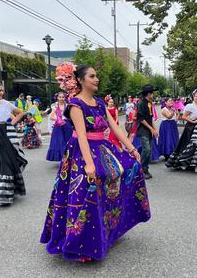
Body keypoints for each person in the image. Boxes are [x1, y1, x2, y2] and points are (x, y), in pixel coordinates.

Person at [40, 64, 150, 263]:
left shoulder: (99, 103)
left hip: (102, 148)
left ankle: (106, 233)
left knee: (129, 170)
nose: (96, 79)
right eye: (92, 76)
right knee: (84, 194)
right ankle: (78, 243)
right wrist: (89, 164)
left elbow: (115, 127)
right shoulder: (75, 104)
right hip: (80, 154)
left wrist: (132, 149)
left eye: (96, 75)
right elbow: (81, 135)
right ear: (81, 80)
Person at [165, 89, 197, 174]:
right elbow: (184, 116)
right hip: (192, 127)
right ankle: (184, 163)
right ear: (193, 97)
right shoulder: (190, 106)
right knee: (189, 145)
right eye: (196, 96)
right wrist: (193, 121)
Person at [136, 84, 159, 179]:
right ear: (149, 94)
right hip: (143, 130)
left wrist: (154, 129)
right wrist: (151, 129)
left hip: (149, 130)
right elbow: (141, 119)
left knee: (149, 151)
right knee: (147, 149)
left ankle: (145, 169)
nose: (153, 95)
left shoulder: (149, 103)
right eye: (152, 93)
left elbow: (150, 118)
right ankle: (140, 169)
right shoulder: (141, 103)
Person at [46, 91, 73, 161]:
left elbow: (71, 116)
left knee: (68, 141)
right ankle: (62, 158)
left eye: (63, 97)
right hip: (59, 126)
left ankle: (69, 157)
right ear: (57, 98)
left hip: (67, 125)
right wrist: (59, 119)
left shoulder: (67, 106)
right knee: (59, 142)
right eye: (60, 97)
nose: (61, 98)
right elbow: (51, 117)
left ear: (65, 98)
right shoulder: (55, 106)